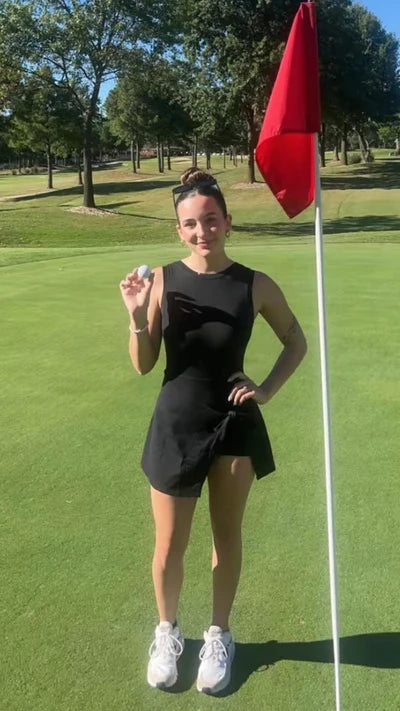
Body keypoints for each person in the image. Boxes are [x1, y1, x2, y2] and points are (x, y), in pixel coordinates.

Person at [119, 168, 307, 694]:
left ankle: (219, 635)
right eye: (190, 224)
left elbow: (296, 341)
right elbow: (143, 363)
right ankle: (167, 633)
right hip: (177, 424)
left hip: (233, 426)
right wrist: (136, 315)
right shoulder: (162, 281)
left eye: (210, 219)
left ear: (228, 221)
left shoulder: (255, 284)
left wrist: (266, 390)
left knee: (226, 536)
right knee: (169, 544)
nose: (202, 231)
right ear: (179, 230)